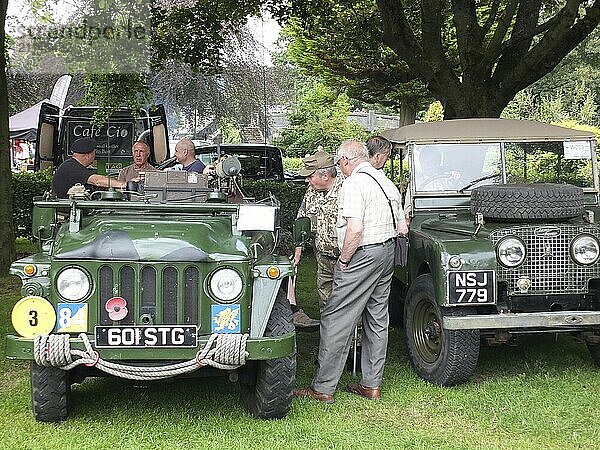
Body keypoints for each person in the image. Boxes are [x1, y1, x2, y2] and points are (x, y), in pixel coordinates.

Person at [294, 140, 408, 404]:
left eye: (339, 163)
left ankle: (323, 388)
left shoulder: (354, 184)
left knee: (336, 316)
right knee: (378, 318)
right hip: (388, 251)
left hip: (363, 254)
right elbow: (402, 227)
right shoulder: (386, 182)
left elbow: (355, 229)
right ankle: (371, 385)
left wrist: (344, 260)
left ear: (345, 161)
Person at [291, 150, 344, 327]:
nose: (307, 180)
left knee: (348, 300)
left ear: (325, 175)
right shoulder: (312, 191)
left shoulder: (349, 190)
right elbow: (302, 218)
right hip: (323, 258)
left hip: (346, 259)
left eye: (310, 176)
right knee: (325, 298)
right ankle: (329, 337)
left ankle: (355, 342)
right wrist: (298, 250)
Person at [52, 137, 127, 198]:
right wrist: (127, 185)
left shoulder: (71, 165)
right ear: (88, 155)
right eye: (94, 153)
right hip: (68, 213)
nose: (95, 156)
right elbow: (97, 181)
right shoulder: (71, 167)